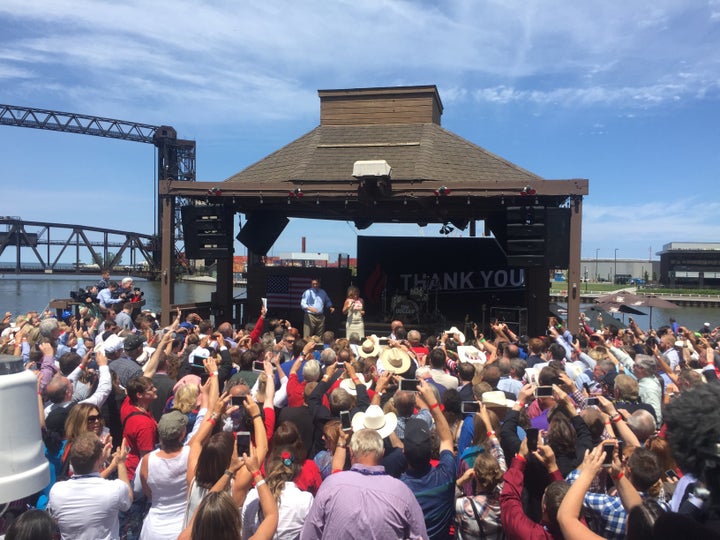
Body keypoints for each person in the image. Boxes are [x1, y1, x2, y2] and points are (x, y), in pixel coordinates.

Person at [301, 428, 428, 539]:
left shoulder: (331, 485)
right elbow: (420, 535)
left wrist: (341, 442)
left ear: (351, 452)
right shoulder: (402, 492)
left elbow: (309, 534)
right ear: (382, 453)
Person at [48, 432, 132, 540]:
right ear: (99, 459)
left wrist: (103, 461)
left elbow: (88, 481)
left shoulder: (57, 491)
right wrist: (120, 463)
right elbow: (128, 498)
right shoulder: (114, 490)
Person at [137, 410, 191, 540]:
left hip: (153, 531)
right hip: (183, 529)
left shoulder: (147, 460)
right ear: (182, 434)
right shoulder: (190, 453)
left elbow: (146, 492)